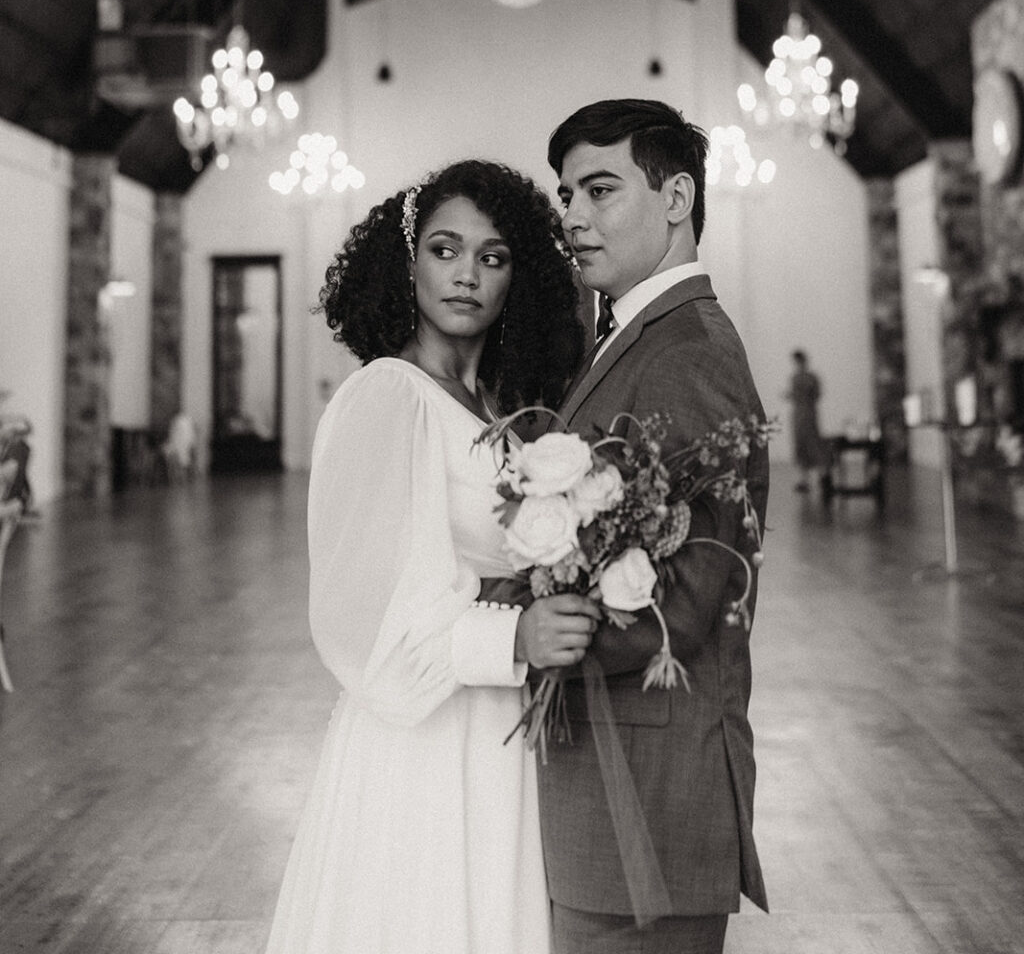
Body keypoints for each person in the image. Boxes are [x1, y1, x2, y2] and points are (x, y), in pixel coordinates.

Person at [264, 159, 595, 954]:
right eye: (444, 250)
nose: (466, 276)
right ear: (405, 261)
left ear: (519, 278)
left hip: (507, 731)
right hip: (420, 742)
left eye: (493, 257)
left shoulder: (504, 414)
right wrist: (511, 635)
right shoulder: (386, 394)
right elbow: (358, 614)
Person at [538, 99, 770, 954]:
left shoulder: (688, 352)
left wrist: (517, 640)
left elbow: (686, 593)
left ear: (677, 198)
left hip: (647, 795)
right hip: (609, 783)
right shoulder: (633, 337)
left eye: (600, 190)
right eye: (567, 195)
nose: (573, 217)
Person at [786, 349, 826, 492]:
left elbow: (816, 394)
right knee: (802, 447)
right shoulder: (798, 377)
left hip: (806, 415)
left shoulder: (807, 377)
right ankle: (806, 479)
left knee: (812, 446)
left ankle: (821, 476)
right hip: (801, 415)